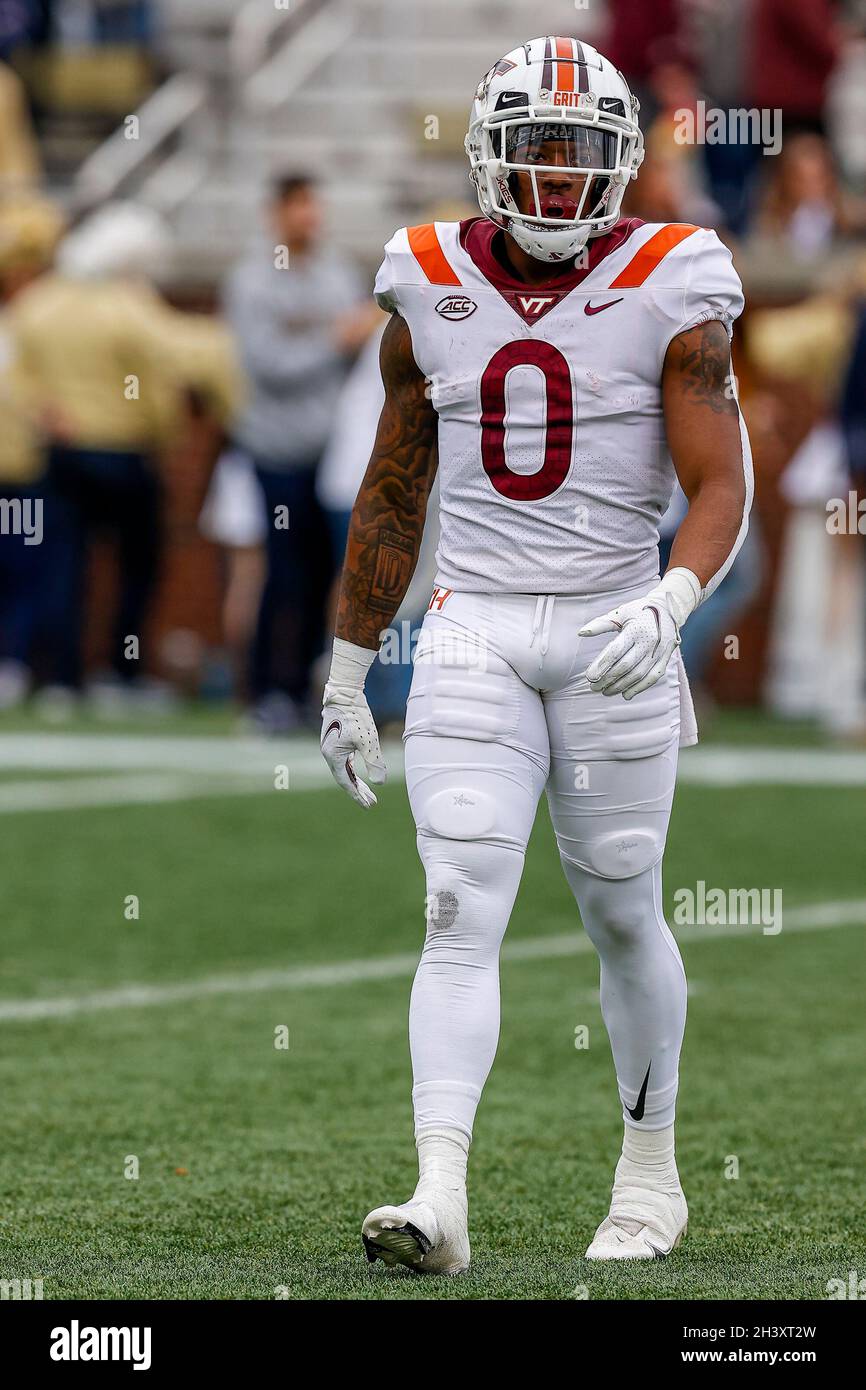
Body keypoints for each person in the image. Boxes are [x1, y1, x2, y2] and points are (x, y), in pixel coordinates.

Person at [320, 36, 752, 1271]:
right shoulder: (425, 272)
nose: (558, 181)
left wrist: (669, 598)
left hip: (614, 622)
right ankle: (438, 1194)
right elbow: (393, 483)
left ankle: (650, 1176)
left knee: (620, 910)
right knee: (455, 909)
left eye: (581, 159)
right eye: (535, 154)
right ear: (486, 159)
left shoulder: (675, 276)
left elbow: (722, 478)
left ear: (619, 167)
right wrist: (350, 670)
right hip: (475, 627)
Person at [223, 172, 376, 732]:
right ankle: (268, 690)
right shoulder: (252, 280)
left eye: (315, 205)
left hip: (331, 453)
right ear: (277, 212)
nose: (310, 217)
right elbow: (266, 364)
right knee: (282, 574)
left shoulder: (337, 273)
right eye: (299, 206)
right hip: (277, 449)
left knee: (323, 576)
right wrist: (335, 340)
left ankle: (309, 688)